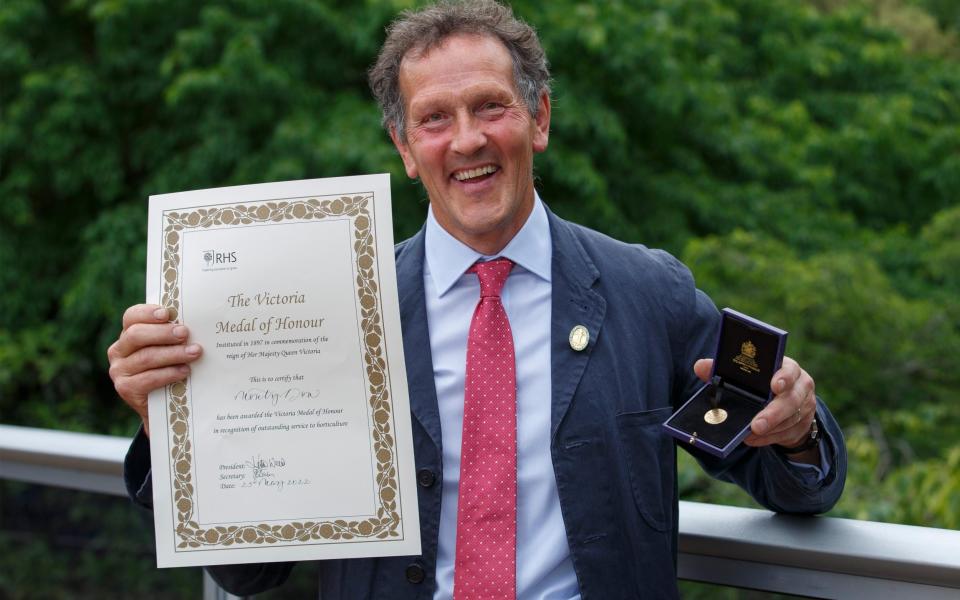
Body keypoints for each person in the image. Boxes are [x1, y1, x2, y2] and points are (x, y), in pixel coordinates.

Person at [107, 1, 847, 598]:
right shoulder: (329, 314)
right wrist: (175, 423)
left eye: (490, 107)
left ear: (540, 119)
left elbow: (796, 482)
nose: (466, 140)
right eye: (434, 119)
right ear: (404, 147)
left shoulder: (647, 291)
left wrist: (796, 427)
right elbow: (249, 572)